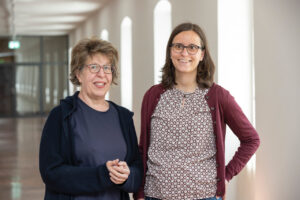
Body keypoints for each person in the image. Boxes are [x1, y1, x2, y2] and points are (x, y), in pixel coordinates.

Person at [134, 22, 260, 200]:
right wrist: (139, 193)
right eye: (178, 46)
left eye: (192, 47)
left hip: (204, 196)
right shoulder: (153, 95)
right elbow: (144, 148)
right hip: (154, 195)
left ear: (202, 54)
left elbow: (251, 139)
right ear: (170, 51)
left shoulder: (218, 96)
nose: (184, 53)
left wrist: (226, 175)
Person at [39, 37, 143, 200]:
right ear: (78, 74)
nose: (101, 74)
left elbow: (137, 168)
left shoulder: (123, 117)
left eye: (107, 68)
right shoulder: (61, 116)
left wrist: (126, 176)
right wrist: (102, 174)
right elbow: (51, 173)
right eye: (93, 67)